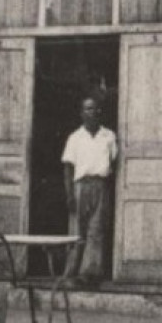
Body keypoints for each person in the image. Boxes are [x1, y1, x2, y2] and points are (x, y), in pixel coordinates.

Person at [62, 95, 118, 285]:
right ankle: (72, 273)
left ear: (100, 112)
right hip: (81, 186)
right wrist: (69, 194)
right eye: (87, 109)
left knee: (96, 230)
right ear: (81, 113)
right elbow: (68, 167)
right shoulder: (75, 138)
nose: (92, 112)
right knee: (77, 230)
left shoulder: (108, 136)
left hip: (100, 185)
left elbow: (114, 161)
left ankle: (89, 274)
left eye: (94, 108)